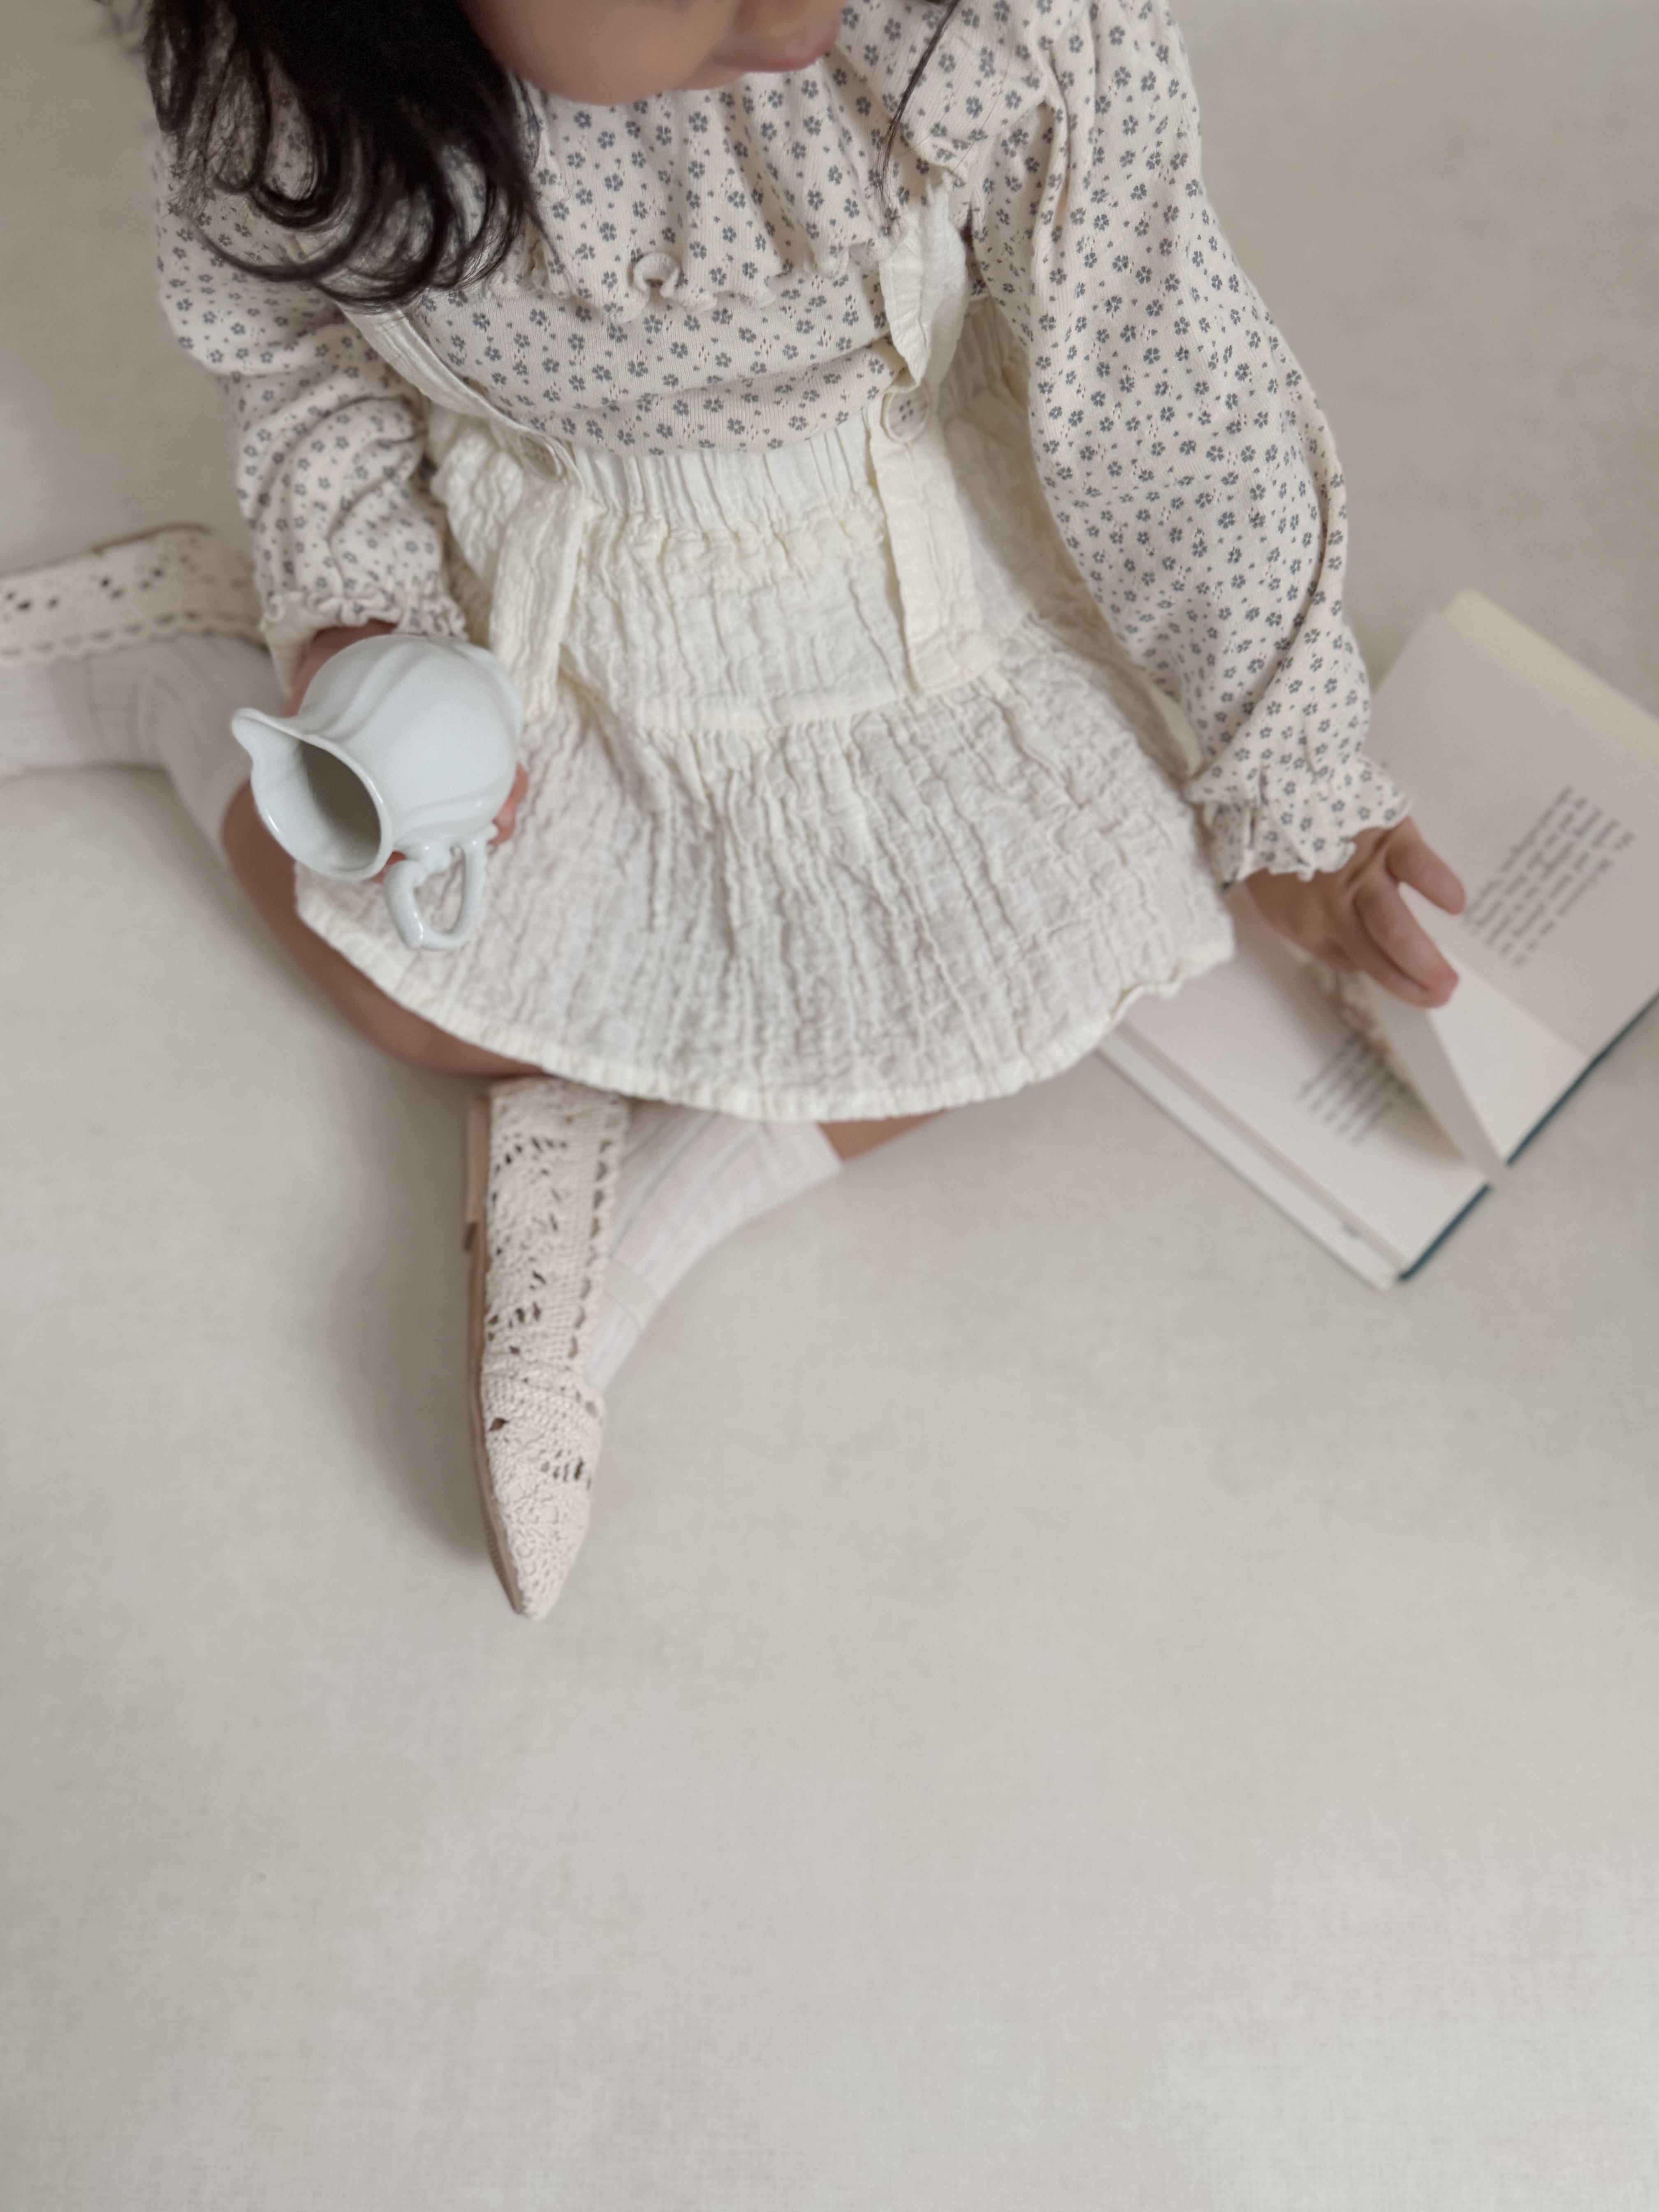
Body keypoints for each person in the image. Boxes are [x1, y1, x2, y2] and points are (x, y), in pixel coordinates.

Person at [0, 0, 1466, 1617]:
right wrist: (359, 614)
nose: (794, 11)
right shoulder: (303, 85)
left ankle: (633, 1204)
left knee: (1081, 936)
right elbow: (307, 358)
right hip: (567, 586)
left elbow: (1161, 389)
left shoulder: (980, 29)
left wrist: (1299, 784)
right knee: (396, 975)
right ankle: (168, 674)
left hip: (920, 570)